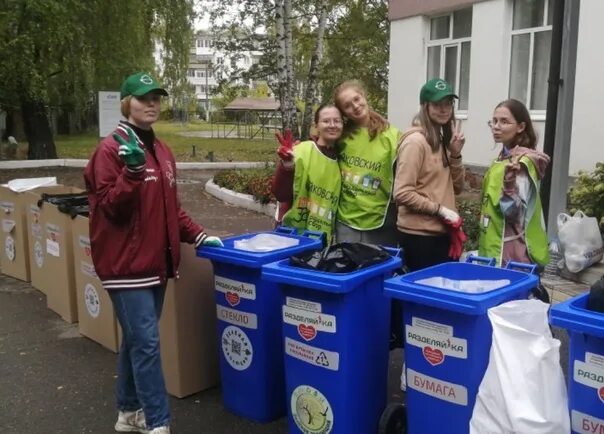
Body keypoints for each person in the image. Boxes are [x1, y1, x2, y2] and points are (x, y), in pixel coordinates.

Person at [84, 72, 223, 434]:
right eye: (144, 98)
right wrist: (130, 173)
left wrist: (199, 235)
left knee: (137, 340)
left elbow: (169, 209)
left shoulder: (161, 151)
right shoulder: (110, 150)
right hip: (124, 266)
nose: (152, 104)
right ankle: (157, 422)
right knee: (146, 342)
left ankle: (128, 413)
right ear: (127, 102)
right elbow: (110, 209)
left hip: (156, 263)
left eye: (156, 98)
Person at [394, 78, 466, 271]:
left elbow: (457, 188)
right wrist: (439, 210)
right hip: (419, 237)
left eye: (448, 104)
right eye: (437, 104)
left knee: (441, 298)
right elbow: (401, 193)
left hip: (441, 234)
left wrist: (456, 155)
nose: (444, 110)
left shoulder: (442, 140)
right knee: (423, 299)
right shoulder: (415, 142)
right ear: (425, 107)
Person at [478, 98, 550, 267]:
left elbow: (513, 213)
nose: (496, 126)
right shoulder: (502, 159)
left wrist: (510, 183)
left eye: (504, 121)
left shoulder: (521, 163)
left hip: (510, 254)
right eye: (494, 121)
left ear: (521, 127)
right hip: (493, 249)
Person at [333, 80, 401, 246]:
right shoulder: (340, 137)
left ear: (364, 96)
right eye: (348, 106)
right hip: (346, 220)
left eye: (356, 99)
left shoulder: (392, 135)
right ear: (344, 113)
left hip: (382, 220)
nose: (355, 106)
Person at [271, 104, 343, 243]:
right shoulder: (301, 151)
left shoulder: (342, 158)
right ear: (316, 125)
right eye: (326, 121)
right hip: (292, 235)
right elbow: (280, 194)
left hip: (324, 238)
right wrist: (287, 166)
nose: (332, 125)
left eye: (337, 121)